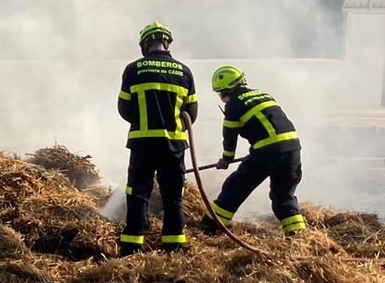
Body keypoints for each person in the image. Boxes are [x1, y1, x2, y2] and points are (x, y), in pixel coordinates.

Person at [117, 22, 199, 256]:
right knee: (173, 195)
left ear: (145, 44)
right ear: (168, 42)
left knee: (137, 192)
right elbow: (191, 114)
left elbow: (124, 107)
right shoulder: (184, 72)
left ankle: (133, 244)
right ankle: (174, 244)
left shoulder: (133, 69)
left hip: (142, 143)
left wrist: (142, 121)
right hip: (173, 145)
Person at [203, 65, 305, 236]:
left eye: (221, 93)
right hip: (292, 147)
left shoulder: (234, 104)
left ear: (228, 89)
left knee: (236, 186)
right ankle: (298, 235)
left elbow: (229, 136)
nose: (222, 97)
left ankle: (212, 225)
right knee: (283, 195)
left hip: (267, 150)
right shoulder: (263, 94)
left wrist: (226, 159)